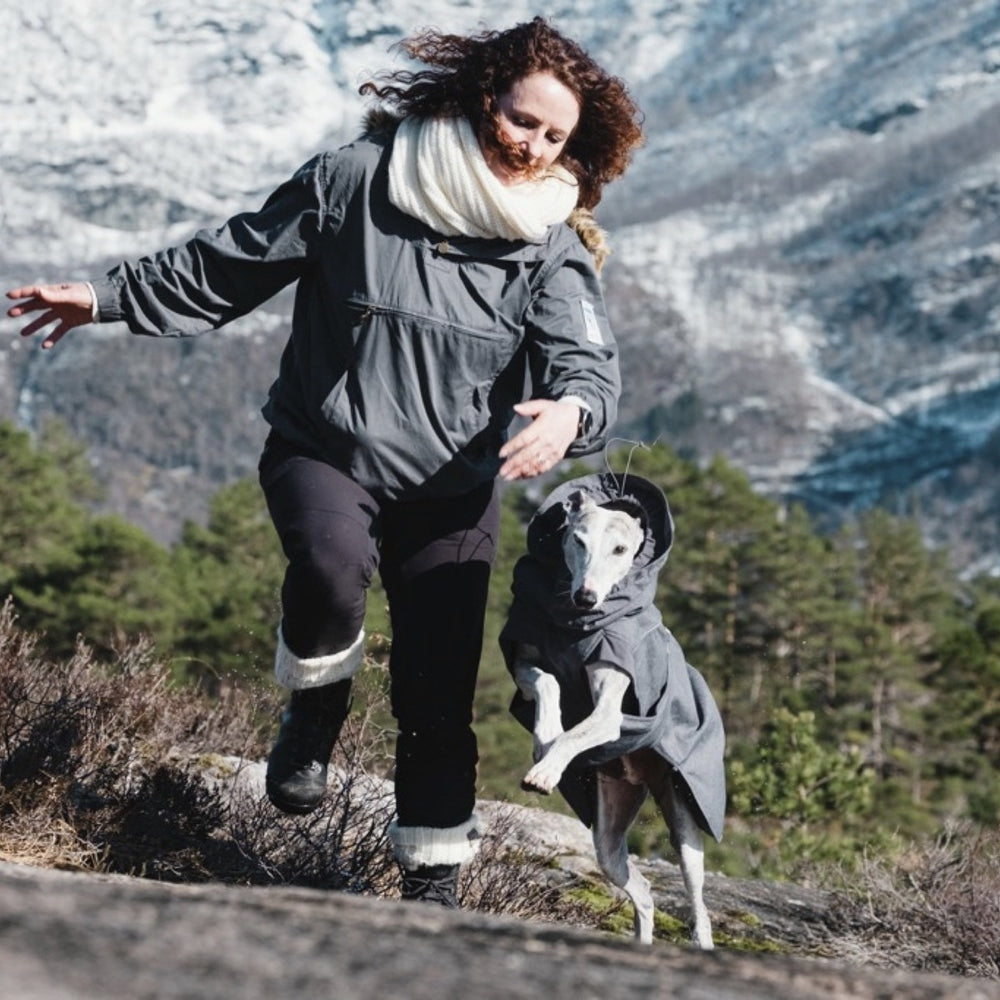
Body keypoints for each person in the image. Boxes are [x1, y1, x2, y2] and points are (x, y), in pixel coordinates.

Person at [6, 17, 643, 906]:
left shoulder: (548, 244)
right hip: (325, 449)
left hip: (452, 491)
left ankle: (432, 880)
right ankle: (315, 704)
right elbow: (228, 263)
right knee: (329, 567)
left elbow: (588, 362)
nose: (531, 145)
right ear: (480, 99)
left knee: (437, 686)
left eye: (553, 135)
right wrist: (107, 296)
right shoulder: (357, 180)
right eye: (520, 118)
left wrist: (570, 411)